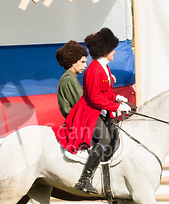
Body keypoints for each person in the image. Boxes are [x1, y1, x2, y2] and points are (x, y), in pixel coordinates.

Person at [54, 28, 132, 194]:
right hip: (86, 113)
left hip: (95, 111)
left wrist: (117, 98)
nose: (115, 52)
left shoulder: (104, 69)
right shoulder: (88, 71)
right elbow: (91, 98)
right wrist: (116, 106)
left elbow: (103, 91)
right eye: (112, 49)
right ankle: (84, 179)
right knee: (104, 140)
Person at [55, 40, 88, 118]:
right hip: (77, 123)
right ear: (73, 62)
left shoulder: (69, 78)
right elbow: (83, 104)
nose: (85, 65)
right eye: (82, 62)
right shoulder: (69, 79)